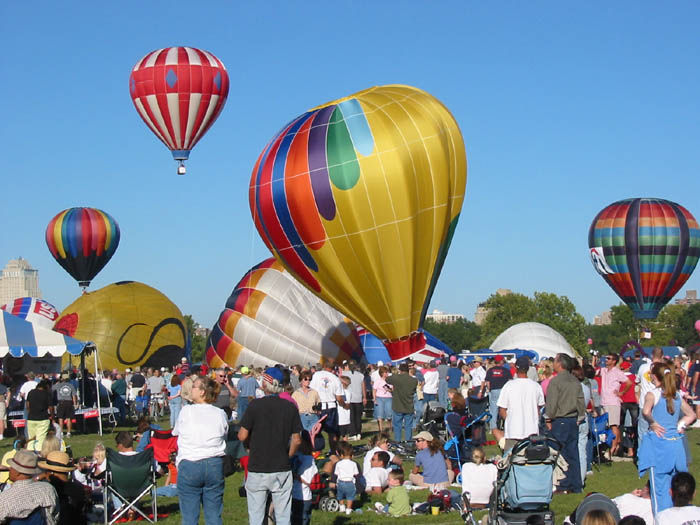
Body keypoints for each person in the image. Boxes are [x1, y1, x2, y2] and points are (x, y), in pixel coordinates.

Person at [239, 367, 303, 525]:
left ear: (265, 384)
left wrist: (249, 446)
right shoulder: (290, 407)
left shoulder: (255, 405)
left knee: (256, 516)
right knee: (283, 517)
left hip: (257, 466)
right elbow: (297, 440)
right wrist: (288, 455)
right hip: (281, 466)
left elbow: (242, 435)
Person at [637, 362, 696, 514]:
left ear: (655, 376)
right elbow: (691, 415)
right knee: (678, 485)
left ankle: (661, 517)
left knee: (659, 487)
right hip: (675, 445)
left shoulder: (653, 394)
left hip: (659, 445)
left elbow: (646, 411)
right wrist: (680, 425)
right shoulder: (676, 395)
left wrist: (653, 423)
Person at [173, 376, 228, 525]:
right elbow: (224, 435)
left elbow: (176, 432)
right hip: (214, 463)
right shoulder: (220, 413)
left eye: (194, 387)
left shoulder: (186, 411)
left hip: (190, 463)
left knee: (189, 518)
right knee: (214, 516)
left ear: (202, 391)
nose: (191, 389)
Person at [544, 353, 585, 494]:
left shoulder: (556, 382)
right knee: (573, 453)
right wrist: (580, 417)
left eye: (555, 361)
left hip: (560, 420)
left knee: (559, 453)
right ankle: (576, 484)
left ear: (560, 364)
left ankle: (563, 484)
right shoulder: (575, 381)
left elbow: (552, 403)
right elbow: (580, 401)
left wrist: (548, 419)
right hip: (573, 420)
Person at [498, 356, 545, 451]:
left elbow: (502, 410)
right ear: (528, 369)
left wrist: (511, 420)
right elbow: (539, 408)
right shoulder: (536, 386)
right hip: (531, 431)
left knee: (511, 458)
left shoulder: (509, 386)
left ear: (515, 368)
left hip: (513, 432)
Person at [0, 448, 59, 524]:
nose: (9, 469)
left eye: (12, 467)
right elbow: (55, 516)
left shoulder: (5, 498)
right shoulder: (48, 489)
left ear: (17, 472)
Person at [38, 450, 87, 525]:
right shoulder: (78, 487)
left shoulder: (47, 490)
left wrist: (38, 478)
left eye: (46, 470)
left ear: (51, 473)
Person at [599, 353, 634, 456]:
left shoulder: (617, 372)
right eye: (606, 358)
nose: (606, 360)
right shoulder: (604, 370)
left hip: (613, 402)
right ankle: (607, 447)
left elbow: (629, 383)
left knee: (614, 425)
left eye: (609, 358)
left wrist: (622, 393)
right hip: (604, 402)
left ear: (614, 361)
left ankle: (613, 448)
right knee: (605, 426)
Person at [309, 362, 347, 454]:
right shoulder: (335, 379)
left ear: (324, 366)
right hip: (331, 406)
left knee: (315, 430)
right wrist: (344, 405)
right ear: (333, 368)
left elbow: (311, 390)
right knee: (332, 432)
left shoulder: (316, 375)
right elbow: (339, 397)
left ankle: (315, 450)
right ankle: (333, 451)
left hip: (319, 406)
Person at [386, 362, 418, 441]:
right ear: (408, 370)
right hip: (409, 406)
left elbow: (387, 379)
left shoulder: (396, 378)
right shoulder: (414, 380)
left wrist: (396, 374)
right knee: (408, 427)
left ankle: (398, 442)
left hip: (398, 406)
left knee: (397, 426)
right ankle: (408, 443)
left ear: (400, 370)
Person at [481, 355, 512, 436]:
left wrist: (489, 389)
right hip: (503, 391)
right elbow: (510, 381)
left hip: (494, 390)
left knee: (493, 410)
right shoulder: (505, 370)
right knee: (505, 409)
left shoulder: (490, 370)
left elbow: (487, 382)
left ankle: (493, 428)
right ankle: (507, 427)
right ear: (501, 361)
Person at [291, 431, 317, 525]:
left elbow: (308, 481)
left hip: (303, 497)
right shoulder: (298, 457)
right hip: (296, 496)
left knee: (302, 519)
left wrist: (295, 475)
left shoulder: (309, 460)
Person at [341, 360, 366, 441]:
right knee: (358, 417)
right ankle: (358, 433)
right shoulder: (361, 375)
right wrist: (364, 397)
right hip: (358, 398)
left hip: (350, 399)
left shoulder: (344, 374)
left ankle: (353, 433)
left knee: (351, 417)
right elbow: (363, 387)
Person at [333, 442, 359, 515]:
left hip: (341, 482)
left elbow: (336, 473)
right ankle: (348, 509)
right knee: (350, 497)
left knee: (340, 495)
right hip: (350, 482)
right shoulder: (354, 464)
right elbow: (356, 474)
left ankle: (342, 507)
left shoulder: (338, 464)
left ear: (341, 455)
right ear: (351, 455)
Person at [26, 379, 53, 445]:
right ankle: (39, 451)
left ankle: (30, 450)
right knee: (40, 440)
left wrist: (31, 412)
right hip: (43, 419)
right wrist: (52, 416)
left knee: (31, 439)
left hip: (31, 419)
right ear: (47, 386)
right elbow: (51, 407)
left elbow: (27, 405)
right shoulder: (47, 394)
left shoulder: (31, 392)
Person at [53, 373, 78, 438]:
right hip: (69, 402)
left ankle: (61, 432)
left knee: (60, 418)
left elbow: (51, 389)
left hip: (61, 402)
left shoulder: (58, 385)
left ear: (62, 379)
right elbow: (74, 395)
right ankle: (68, 432)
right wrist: (75, 404)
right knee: (69, 418)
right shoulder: (71, 385)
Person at [373, 366, 393, 434]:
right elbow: (374, 390)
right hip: (379, 398)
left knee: (389, 413)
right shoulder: (378, 381)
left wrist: (389, 389)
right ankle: (380, 429)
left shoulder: (390, 381)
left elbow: (392, 389)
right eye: (385, 372)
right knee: (380, 414)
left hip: (388, 398)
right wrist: (374, 399)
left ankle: (390, 426)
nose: (387, 374)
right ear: (382, 373)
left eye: (387, 372)